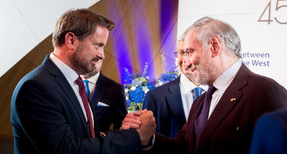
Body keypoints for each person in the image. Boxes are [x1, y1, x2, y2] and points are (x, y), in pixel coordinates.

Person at [123, 16, 287, 154]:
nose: (185, 62)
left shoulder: (265, 91)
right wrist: (147, 138)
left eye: (189, 52)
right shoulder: (200, 102)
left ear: (214, 46)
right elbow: (183, 148)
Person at [10, 8, 155, 154]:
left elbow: (86, 138)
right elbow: (67, 150)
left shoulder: (73, 82)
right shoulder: (35, 87)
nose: (102, 55)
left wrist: (124, 131)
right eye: (98, 45)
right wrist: (134, 137)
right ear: (71, 41)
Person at [143, 34, 207, 138]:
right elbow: (146, 141)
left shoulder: (220, 94)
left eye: (190, 53)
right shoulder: (155, 97)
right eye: (181, 53)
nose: (185, 59)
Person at [81, 60, 127, 132]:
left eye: (95, 60)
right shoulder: (68, 81)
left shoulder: (116, 90)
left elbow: (120, 126)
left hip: (96, 141)